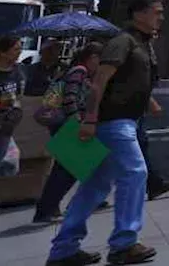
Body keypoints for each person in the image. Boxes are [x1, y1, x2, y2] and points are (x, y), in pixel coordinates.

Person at [46, 0, 164, 266]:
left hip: (123, 121)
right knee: (135, 173)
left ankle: (63, 249)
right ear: (139, 14)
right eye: (157, 12)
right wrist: (89, 119)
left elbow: (132, 83)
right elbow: (99, 82)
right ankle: (124, 243)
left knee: (95, 187)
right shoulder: (123, 41)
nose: (161, 17)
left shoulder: (143, 45)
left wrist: (150, 102)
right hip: (114, 122)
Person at [33, 42, 106, 225]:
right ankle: (48, 208)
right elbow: (70, 98)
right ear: (92, 58)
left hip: (65, 123)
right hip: (68, 123)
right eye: (100, 60)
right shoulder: (79, 71)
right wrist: (78, 121)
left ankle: (50, 207)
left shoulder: (79, 72)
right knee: (68, 169)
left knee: (67, 168)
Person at [0, 34, 25, 175]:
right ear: (2, 52)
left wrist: (15, 109)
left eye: (20, 49)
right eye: (15, 49)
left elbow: (18, 96)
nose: (19, 52)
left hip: (5, 128)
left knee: (4, 164)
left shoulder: (18, 72)